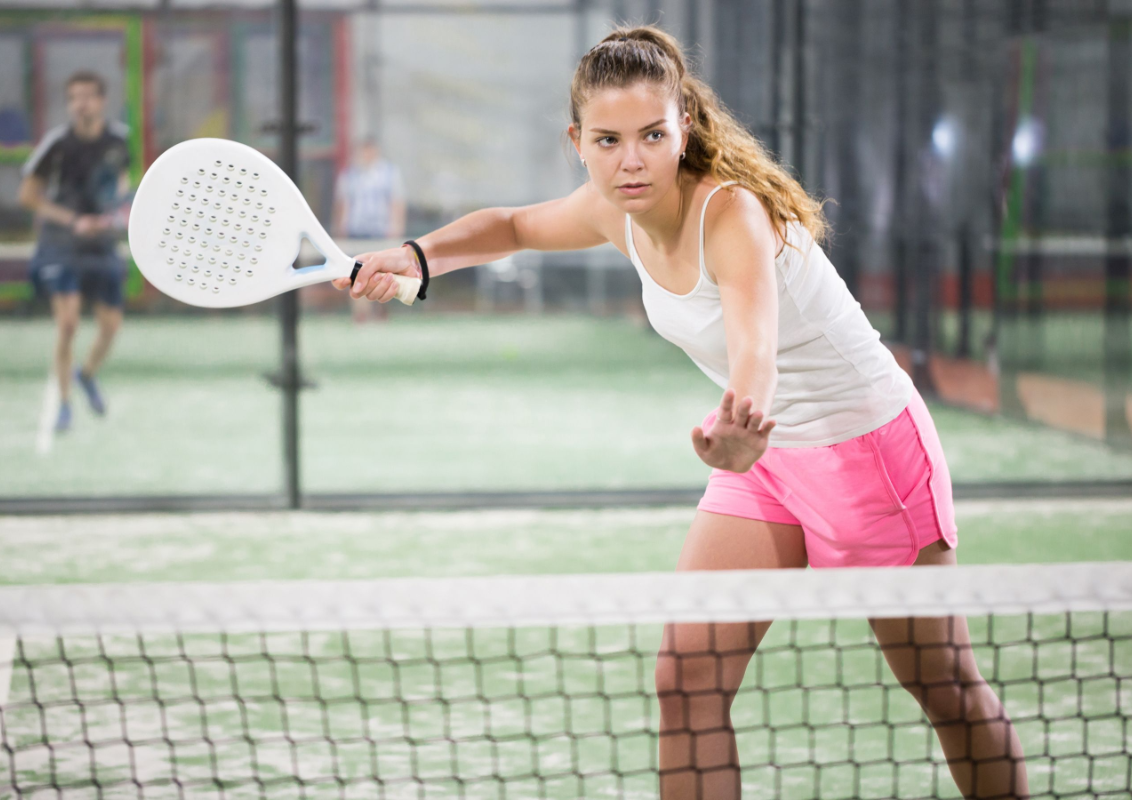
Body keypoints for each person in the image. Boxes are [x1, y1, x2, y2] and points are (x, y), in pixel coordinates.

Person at [335, 26, 1027, 800]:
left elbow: (755, 346)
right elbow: (514, 225)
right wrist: (418, 256)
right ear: (578, 142)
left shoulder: (730, 214)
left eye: (651, 136)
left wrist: (741, 426)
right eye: (608, 140)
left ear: (683, 129)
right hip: (766, 467)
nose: (630, 160)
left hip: (865, 455)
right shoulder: (611, 209)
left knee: (945, 690)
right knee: (686, 679)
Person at [19, 71, 131, 433]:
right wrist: (73, 221)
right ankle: (65, 405)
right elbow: (28, 197)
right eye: (74, 98)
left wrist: (115, 215)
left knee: (111, 327)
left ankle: (86, 375)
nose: (80, 104)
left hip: (100, 244)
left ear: (101, 101)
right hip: (60, 244)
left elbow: (124, 186)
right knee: (67, 325)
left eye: (87, 96)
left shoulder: (119, 141)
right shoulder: (56, 143)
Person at [332, 138, 406, 322]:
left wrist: (396, 227)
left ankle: (381, 313)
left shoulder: (388, 173)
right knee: (356, 273)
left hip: (380, 231)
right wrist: (341, 228)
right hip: (357, 231)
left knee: (384, 273)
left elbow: (396, 202)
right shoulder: (350, 175)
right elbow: (342, 203)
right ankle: (361, 315)